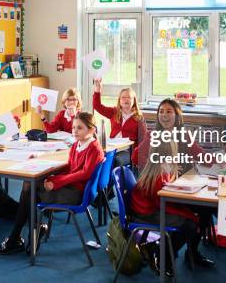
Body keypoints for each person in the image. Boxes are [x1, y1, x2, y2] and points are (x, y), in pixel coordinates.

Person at [0, 112, 104, 254]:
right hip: (70, 186)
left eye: (80, 128)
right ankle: (29, 231)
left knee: (30, 192)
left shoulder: (94, 147)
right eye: (74, 127)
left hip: (77, 193)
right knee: (29, 185)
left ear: (92, 130)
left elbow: (84, 174)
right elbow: (69, 168)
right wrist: (50, 177)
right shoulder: (77, 145)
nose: (75, 131)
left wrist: (56, 182)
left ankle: (19, 236)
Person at [130, 141, 215, 277]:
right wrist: (190, 216)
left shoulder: (160, 167)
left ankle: (175, 251)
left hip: (154, 206)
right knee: (190, 224)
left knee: (200, 212)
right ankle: (163, 257)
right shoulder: (158, 174)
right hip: (147, 213)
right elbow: (163, 204)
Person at [132, 98, 207, 171]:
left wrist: (217, 160)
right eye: (161, 112)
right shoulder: (152, 136)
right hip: (162, 180)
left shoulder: (185, 136)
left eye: (168, 111)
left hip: (182, 179)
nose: (164, 115)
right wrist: (159, 169)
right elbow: (136, 157)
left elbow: (200, 155)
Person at [92, 79, 146, 165]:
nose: (126, 100)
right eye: (123, 97)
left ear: (134, 101)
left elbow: (143, 139)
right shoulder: (114, 112)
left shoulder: (139, 118)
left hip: (128, 150)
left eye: (129, 97)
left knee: (114, 160)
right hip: (112, 147)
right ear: (119, 101)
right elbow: (97, 106)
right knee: (97, 157)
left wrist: (137, 154)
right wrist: (97, 89)